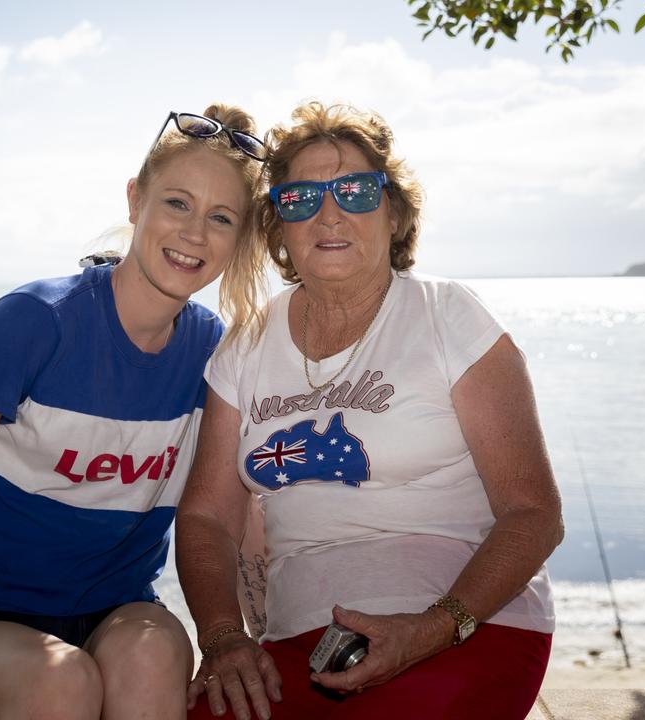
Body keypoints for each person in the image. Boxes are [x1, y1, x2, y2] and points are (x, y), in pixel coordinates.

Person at [176, 102, 563, 720]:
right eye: (301, 197)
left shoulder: (447, 315)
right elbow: (206, 517)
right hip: (298, 647)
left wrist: (434, 627)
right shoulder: (246, 344)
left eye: (354, 190)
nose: (328, 213)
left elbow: (534, 513)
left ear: (394, 211)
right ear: (279, 224)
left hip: (467, 627)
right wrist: (224, 639)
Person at [0, 104, 269, 720]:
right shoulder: (35, 322)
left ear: (238, 239)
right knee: (61, 683)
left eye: (221, 217)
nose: (195, 233)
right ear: (135, 200)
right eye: (177, 203)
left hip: (116, 614)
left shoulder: (217, 356)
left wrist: (248, 642)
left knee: (150, 658)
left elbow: (238, 515)